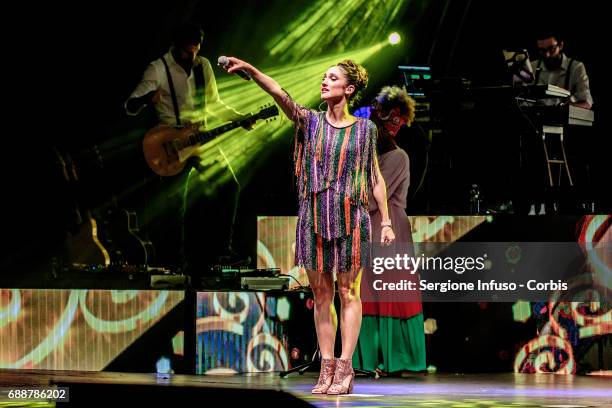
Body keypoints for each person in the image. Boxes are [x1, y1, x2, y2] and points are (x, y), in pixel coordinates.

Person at [220, 57, 395, 394]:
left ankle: (345, 368)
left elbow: (374, 177)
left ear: (349, 88)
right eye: (324, 76)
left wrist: (385, 221)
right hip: (314, 216)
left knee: (348, 292)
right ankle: (326, 366)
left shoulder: (364, 130)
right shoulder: (310, 122)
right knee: (321, 292)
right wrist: (253, 71)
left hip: (351, 218)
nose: (324, 81)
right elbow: (279, 94)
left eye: (333, 78)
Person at [125, 22, 250, 276]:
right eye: (186, 52)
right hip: (170, 146)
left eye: (195, 51)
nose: (190, 57)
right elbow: (130, 104)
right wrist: (145, 99)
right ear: (176, 46)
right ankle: (173, 267)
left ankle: (221, 252)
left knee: (229, 187)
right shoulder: (157, 69)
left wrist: (239, 117)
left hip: (200, 143)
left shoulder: (203, 66)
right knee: (173, 208)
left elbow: (214, 104)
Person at [353, 86, 426, 375]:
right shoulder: (367, 155)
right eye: (389, 120)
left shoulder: (398, 157)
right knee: (367, 291)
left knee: (387, 291)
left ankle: (393, 358)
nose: (394, 126)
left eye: (398, 121)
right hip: (367, 225)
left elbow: (372, 199)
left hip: (387, 226)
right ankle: (365, 359)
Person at [530, 32, 593, 109]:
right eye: (542, 50)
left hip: (563, 119)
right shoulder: (532, 66)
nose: (547, 54)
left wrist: (567, 107)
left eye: (551, 49)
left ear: (560, 45)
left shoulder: (575, 67)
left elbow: (587, 103)